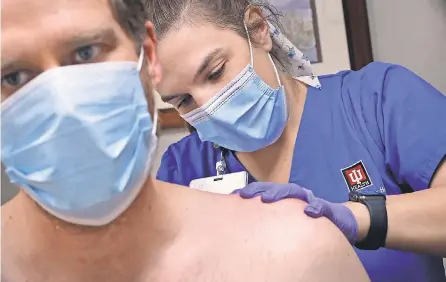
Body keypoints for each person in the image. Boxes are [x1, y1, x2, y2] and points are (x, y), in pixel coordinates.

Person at [0, 0, 371, 281]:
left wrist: (363, 218)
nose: (64, 105)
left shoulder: (296, 250)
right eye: (12, 76)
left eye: (86, 52)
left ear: (147, 55)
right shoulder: (183, 163)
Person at [151, 0, 446, 281]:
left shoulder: (375, 100)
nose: (208, 105)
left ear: (257, 29)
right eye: (183, 100)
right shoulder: (182, 170)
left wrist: (358, 218)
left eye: (215, 73)